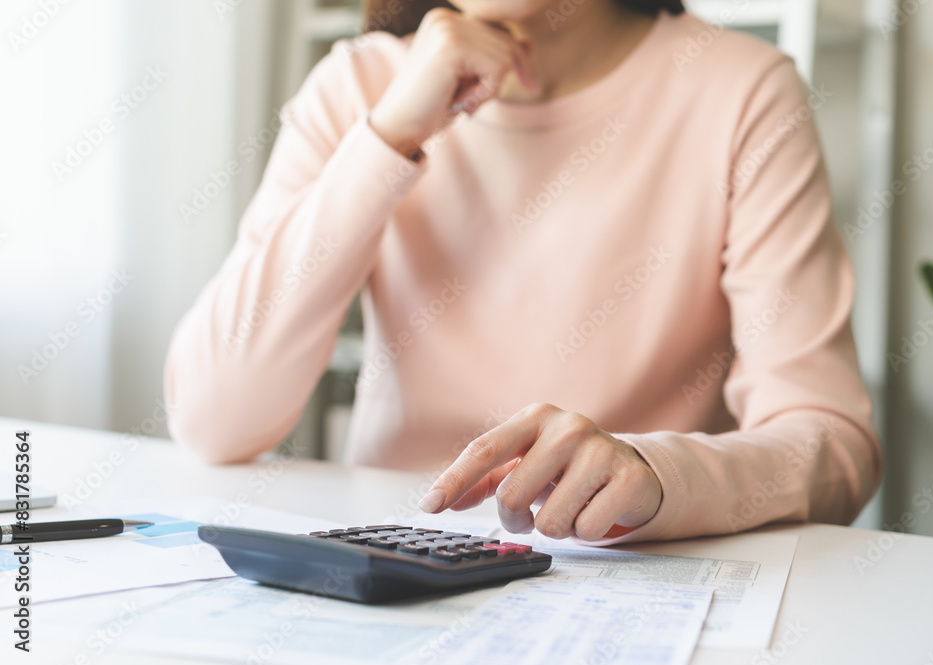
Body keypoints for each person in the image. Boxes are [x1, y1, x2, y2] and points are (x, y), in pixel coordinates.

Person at [164, 0, 882, 544]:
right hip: (394, 561)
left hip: (634, 571)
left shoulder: (743, 92)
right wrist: (387, 138)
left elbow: (832, 444)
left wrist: (655, 473)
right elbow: (212, 419)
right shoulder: (360, 85)